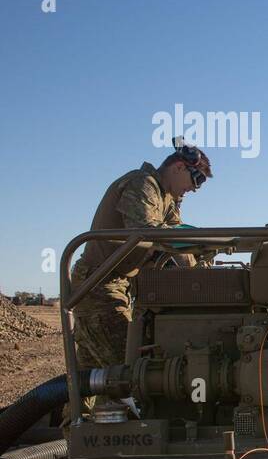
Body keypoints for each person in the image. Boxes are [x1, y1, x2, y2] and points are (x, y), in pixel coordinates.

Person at [71, 142, 213, 370]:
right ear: (178, 167)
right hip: (98, 285)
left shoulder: (168, 198)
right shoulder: (142, 184)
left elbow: (177, 239)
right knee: (129, 372)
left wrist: (201, 255)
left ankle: (78, 405)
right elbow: (146, 231)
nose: (195, 188)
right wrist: (197, 241)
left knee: (91, 379)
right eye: (196, 179)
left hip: (118, 283)